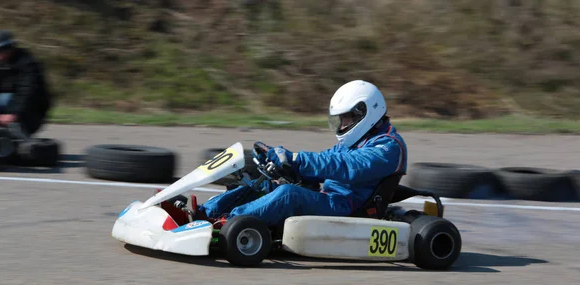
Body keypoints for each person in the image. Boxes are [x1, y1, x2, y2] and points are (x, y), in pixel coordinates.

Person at [167, 80, 408, 227]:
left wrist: (296, 159)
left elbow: (345, 166)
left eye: (347, 119)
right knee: (262, 184)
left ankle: (227, 223)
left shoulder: (388, 147)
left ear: (365, 113)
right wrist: (285, 167)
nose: (342, 126)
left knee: (288, 194)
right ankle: (201, 214)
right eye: (341, 119)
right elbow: (327, 163)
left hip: (347, 207)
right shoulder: (356, 141)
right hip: (330, 198)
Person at [0, 30, 51, 140]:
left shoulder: (27, 63)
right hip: (7, 111)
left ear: (9, 48)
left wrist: (13, 113)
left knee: (5, 98)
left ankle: (18, 133)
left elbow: (27, 91)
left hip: (30, 114)